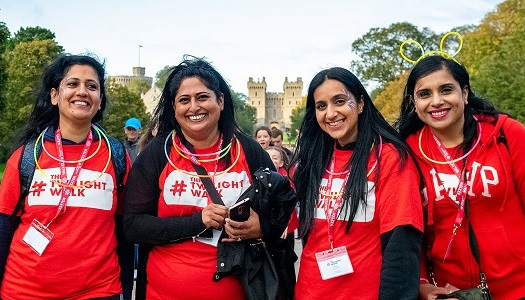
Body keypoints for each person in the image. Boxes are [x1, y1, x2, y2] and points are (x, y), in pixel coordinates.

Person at [122, 56, 297, 300]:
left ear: (221, 101)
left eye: (202, 97)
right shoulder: (157, 153)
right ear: (174, 108)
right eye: (184, 100)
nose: (194, 107)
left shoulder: (249, 151)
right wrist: (198, 221)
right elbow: (132, 226)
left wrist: (262, 227)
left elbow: (282, 208)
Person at [0, 54, 133, 299]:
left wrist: (125, 289)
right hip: (24, 291)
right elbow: (3, 230)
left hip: (98, 292)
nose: (82, 91)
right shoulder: (27, 156)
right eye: (72, 84)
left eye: (91, 86)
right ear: (54, 96)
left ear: (100, 100)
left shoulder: (117, 156)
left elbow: (124, 231)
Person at [396, 54, 525, 299]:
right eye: (425, 94)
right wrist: (423, 285)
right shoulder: (406, 153)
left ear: (464, 94)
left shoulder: (507, 134)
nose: (436, 101)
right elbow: (410, 232)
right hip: (452, 294)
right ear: (414, 102)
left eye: (446, 90)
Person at [291, 67, 424, 299]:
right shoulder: (313, 159)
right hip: (309, 290)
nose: (330, 113)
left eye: (340, 101)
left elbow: (401, 244)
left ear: (360, 103)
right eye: (321, 106)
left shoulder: (389, 157)